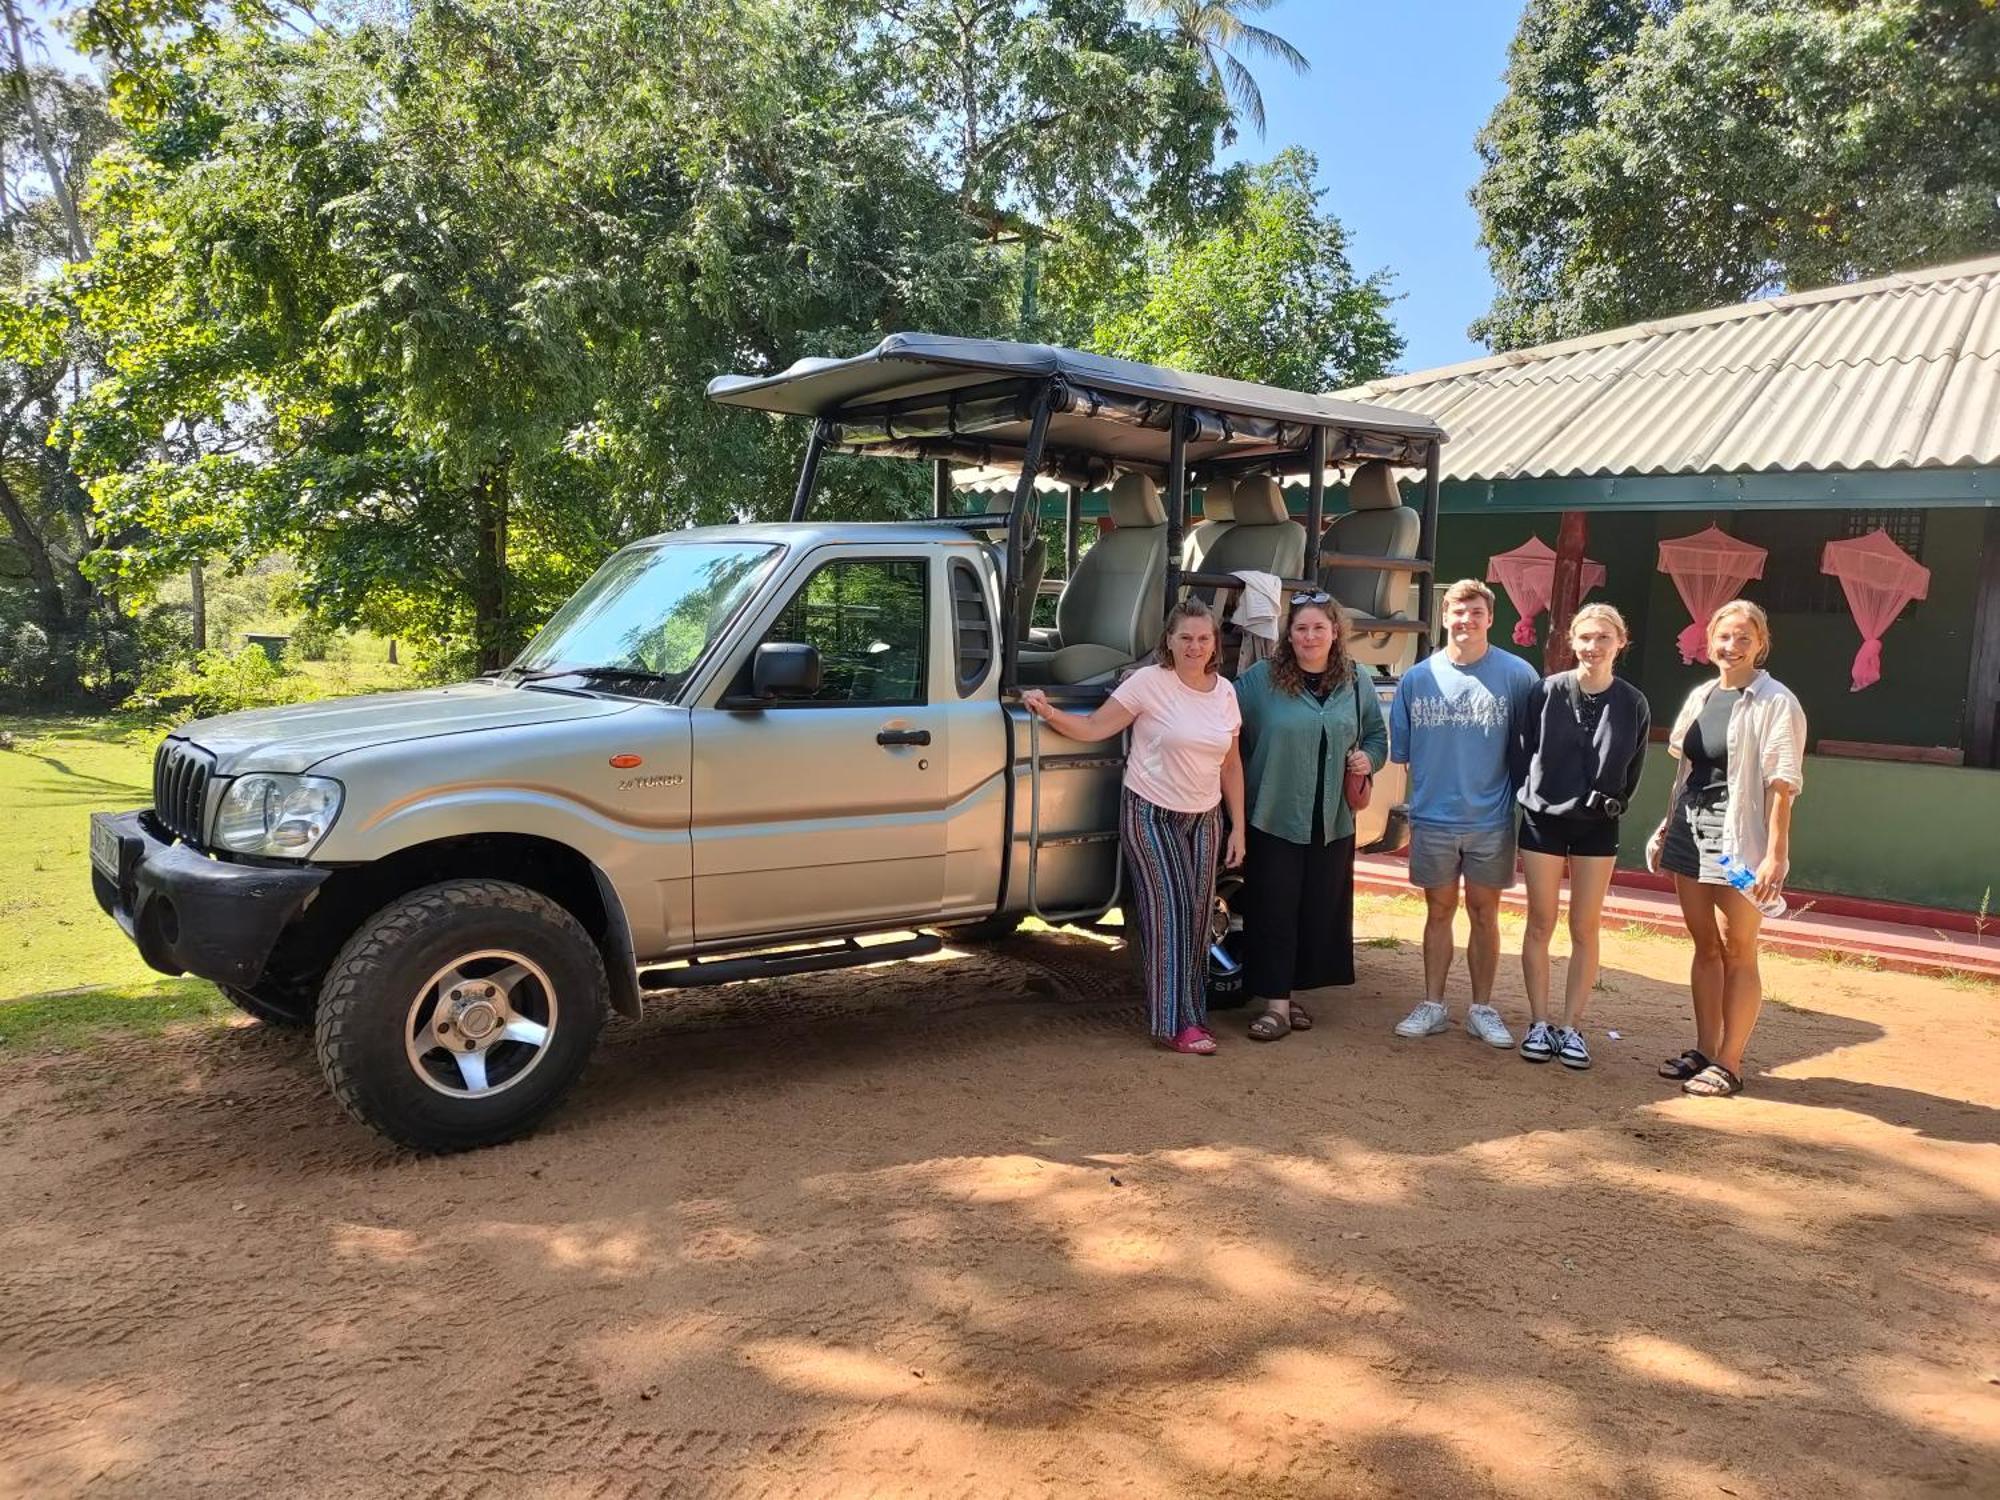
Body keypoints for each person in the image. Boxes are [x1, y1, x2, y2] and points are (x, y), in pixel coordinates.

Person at [1021, 599, 1247, 1055]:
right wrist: (1047, 711)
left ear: (1214, 643)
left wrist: (1237, 826)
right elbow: (1094, 728)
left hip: (1204, 817)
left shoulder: (1224, 691)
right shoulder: (1149, 683)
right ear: (1169, 640)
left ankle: (1192, 1015)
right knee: (1170, 914)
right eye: (1185, 638)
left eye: (1203, 638)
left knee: (1200, 918)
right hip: (1151, 812)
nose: (1195, 646)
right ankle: (1171, 1026)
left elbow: (1231, 765)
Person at [1647, 600, 1805, 1098]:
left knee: (1738, 947)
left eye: (1743, 637)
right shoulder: (1702, 695)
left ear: (1761, 644)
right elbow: (1686, 770)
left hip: (1739, 841)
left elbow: (1783, 783)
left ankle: (1730, 1061)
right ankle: (1704, 1048)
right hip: (1691, 831)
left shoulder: (1777, 701)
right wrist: (1665, 825)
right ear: (1708, 640)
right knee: (1704, 945)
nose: (1731, 646)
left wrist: (1775, 855)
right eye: (1724, 636)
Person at [1388, 579, 1539, 1047]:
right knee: (1438, 910)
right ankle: (1432, 1005)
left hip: (1490, 820)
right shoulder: (1417, 678)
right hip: (1433, 818)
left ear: (1490, 619)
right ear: (1444, 616)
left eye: (1476, 612)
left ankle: (1482, 1008)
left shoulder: (1518, 676)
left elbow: (1532, 746)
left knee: (1484, 912)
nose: (1466, 621)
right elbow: (1407, 753)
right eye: (1457, 611)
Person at [1233, 592, 1388, 1041]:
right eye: (1301, 628)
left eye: (1319, 627)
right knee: (1273, 909)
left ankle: (1289, 993)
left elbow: (1376, 736)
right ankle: (1275, 1006)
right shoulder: (1260, 681)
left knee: (1318, 910)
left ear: (1335, 631)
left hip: (1332, 819)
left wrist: (1368, 761)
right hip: (1275, 814)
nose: (1309, 636)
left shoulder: (1355, 680)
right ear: (1289, 634)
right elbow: (1224, 725)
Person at [1512, 604, 1650, 1070]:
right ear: (1572, 641)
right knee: (1539, 921)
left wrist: (1609, 803)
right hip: (1542, 819)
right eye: (1586, 638)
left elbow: (1631, 771)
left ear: (1620, 642)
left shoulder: (1632, 702)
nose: (1594, 647)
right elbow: (1523, 750)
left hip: (1598, 824)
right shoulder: (1545, 692)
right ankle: (1538, 1021)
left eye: (1604, 638)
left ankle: (1571, 1027)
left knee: (1584, 927)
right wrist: (1532, 795)